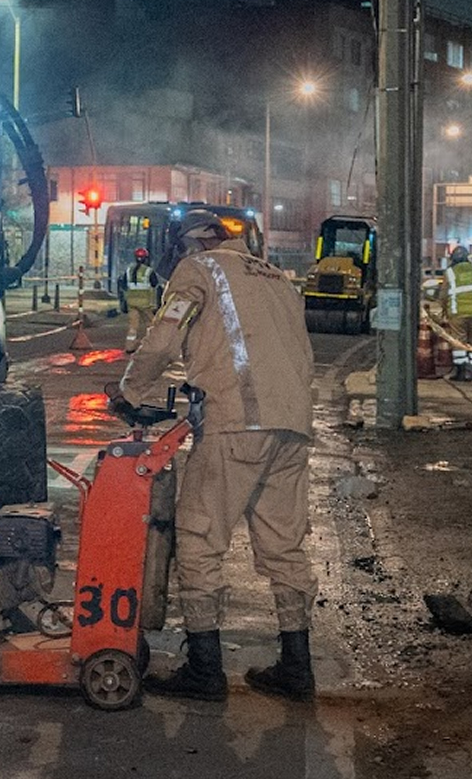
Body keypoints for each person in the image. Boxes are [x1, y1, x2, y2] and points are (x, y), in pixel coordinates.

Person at [109, 210, 318, 701]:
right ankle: (297, 666)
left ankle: (204, 669)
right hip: (293, 428)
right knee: (284, 547)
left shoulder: (199, 269)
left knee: (200, 538)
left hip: (235, 424)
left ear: (189, 244)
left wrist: (131, 391)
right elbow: (301, 353)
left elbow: (164, 336)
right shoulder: (278, 278)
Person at [442, 246, 472, 381]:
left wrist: (444, 309)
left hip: (458, 312)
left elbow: (443, 294)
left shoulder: (450, 273)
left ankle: (461, 372)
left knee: (459, 341)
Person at [122, 247, 162, 352]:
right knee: (151, 324)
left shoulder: (129, 270)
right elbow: (155, 284)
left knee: (133, 326)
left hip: (131, 303)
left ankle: (129, 347)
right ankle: (151, 346)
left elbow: (123, 285)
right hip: (145, 304)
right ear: (146, 258)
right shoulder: (148, 271)